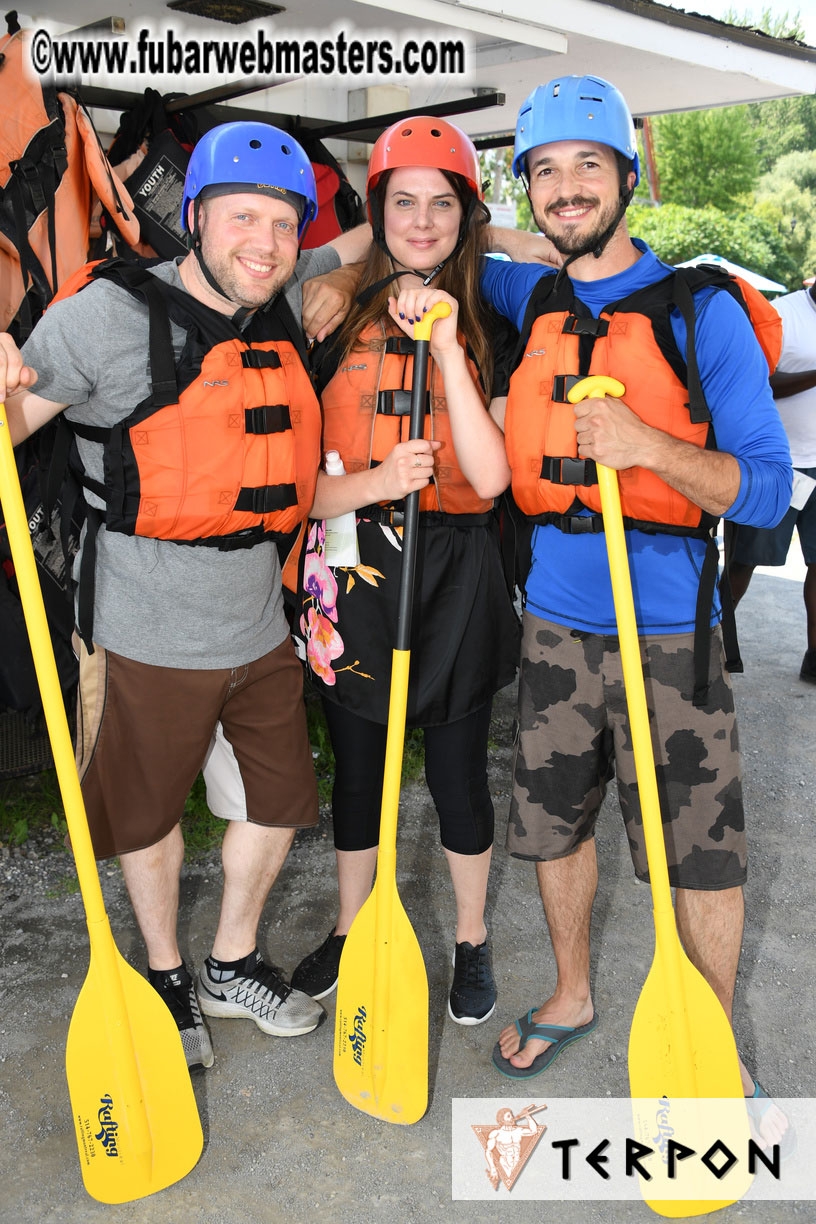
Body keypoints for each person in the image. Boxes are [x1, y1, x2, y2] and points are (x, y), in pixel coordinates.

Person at [0, 121, 372, 1071]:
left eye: (285, 224)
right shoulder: (104, 315)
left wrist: (420, 250)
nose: (268, 241)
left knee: (277, 802)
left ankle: (230, 962)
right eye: (243, 217)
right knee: (148, 812)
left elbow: (369, 239)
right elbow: (14, 423)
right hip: (141, 621)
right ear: (193, 218)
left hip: (257, 623)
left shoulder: (277, 292)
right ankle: (166, 973)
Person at [480, 75, 792, 1139]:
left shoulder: (701, 310)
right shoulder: (532, 298)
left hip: (672, 628)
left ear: (628, 180)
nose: (568, 191)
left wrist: (649, 447)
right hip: (557, 619)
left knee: (698, 846)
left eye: (589, 167)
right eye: (547, 172)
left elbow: (760, 486)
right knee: (553, 825)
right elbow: (437, 242)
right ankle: (574, 989)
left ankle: (711, 1034)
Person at [280, 116, 523, 1026]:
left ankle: (469, 939)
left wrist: (452, 345)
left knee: (457, 770)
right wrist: (380, 479)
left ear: (467, 213)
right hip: (351, 566)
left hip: (456, 568)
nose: (423, 221)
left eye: (442, 202)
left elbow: (494, 477)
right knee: (359, 769)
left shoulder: (496, 312)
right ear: (376, 210)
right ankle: (353, 928)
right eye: (402, 202)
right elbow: (292, 486)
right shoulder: (329, 313)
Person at [728, 282, 816, 683]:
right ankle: (707, 648)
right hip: (775, 465)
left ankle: (814, 657)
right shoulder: (780, 314)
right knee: (743, 563)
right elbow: (756, 379)